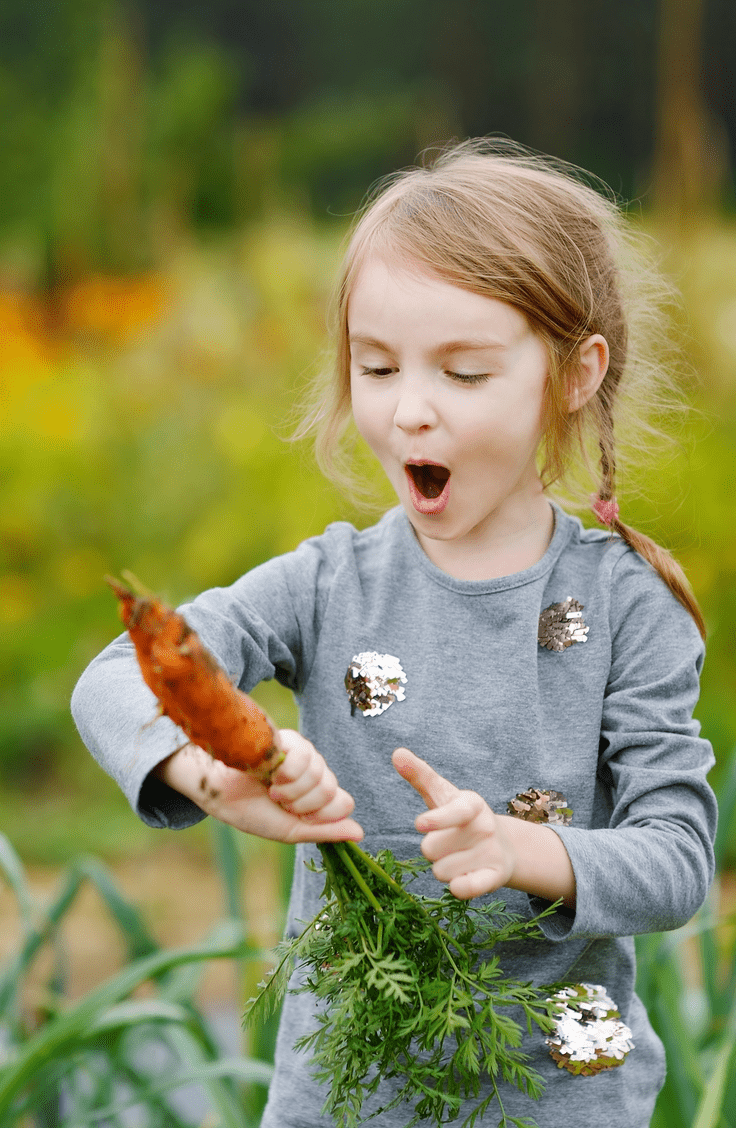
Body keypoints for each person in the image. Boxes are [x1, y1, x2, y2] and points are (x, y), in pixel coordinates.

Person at [72, 138, 717, 1127]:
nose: (408, 410)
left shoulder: (629, 605)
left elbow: (676, 857)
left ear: (574, 371)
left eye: (463, 374)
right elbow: (118, 675)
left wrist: (516, 849)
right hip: (346, 1097)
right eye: (375, 367)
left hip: (561, 1101)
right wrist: (212, 775)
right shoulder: (329, 585)